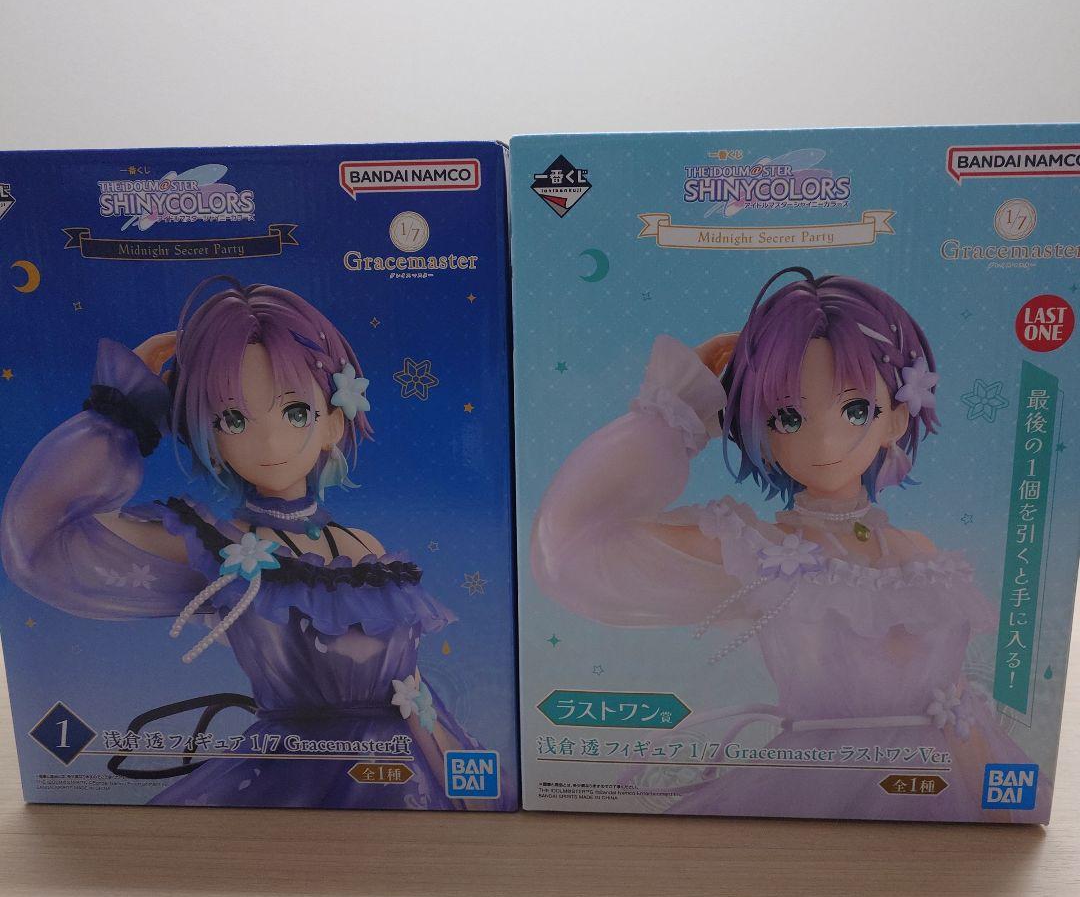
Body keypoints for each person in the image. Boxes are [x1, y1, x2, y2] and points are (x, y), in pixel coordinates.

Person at [531, 266, 1050, 821]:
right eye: (788, 416)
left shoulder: (922, 554)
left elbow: (960, 705)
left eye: (856, 410)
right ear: (759, 426)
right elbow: (571, 545)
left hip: (947, 785)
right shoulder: (760, 553)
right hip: (816, 789)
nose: (824, 439)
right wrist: (673, 412)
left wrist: (996, 805)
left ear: (897, 419)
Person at [1, 276, 505, 810]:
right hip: (292, 777)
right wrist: (121, 410)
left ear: (334, 422)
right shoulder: (218, 548)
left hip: (403, 779)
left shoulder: (366, 549)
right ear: (209, 436)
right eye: (234, 419)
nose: (269, 441)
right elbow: (38, 533)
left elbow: (412, 692)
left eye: (296, 412)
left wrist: (466, 786)